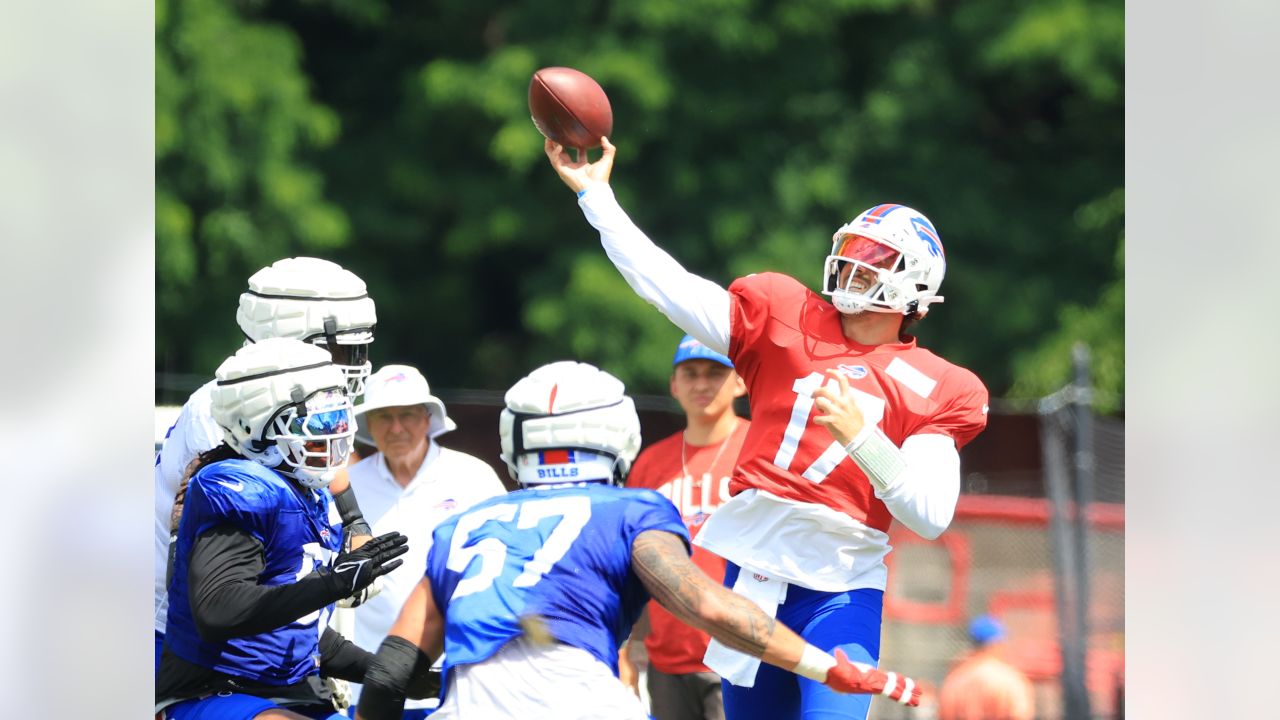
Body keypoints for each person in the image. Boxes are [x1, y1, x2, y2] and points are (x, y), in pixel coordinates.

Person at [545, 138, 989, 720]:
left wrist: (863, 438)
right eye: (853, 249)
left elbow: (929, 515)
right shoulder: (785, 312)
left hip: (839, 589)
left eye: (877, 258)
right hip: (750, 576)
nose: (856, 264)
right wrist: (597, 197)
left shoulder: (940, 384)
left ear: (915, 285)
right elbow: (666, 285)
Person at [353, 361, 921, 720]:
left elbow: (388, 673)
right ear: (615, 433)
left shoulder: (466, 524)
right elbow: (705, 604)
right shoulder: (629, 509)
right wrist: (824, 667)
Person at [155, 338, 413, 719]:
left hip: (285, 693)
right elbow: (219, 610)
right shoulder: (235, 485)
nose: (338, 432)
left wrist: (381, 671)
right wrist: (332, 582)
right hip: (212, 690)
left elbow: (297, 629)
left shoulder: (309, 493)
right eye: (325, 421)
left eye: (341, 418)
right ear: (262, 425)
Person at [155, 256, 380, 668]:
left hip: (261, 627)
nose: (355, 361)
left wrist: (355, 525)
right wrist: (329, 580)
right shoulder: (225, 410)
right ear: (292, 337)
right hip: (178, 629)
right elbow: (197, 546)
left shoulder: (288, 396)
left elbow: (325, 466)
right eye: (343, 347)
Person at [337, 364, 507, 717]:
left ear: (427, 418)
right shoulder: (346, 485)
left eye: (407, 415)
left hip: (460, 677)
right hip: (366, 676)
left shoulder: (474, 476)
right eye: (384, 416)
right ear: (369, 425)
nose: (396, 427)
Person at [619, 335, 749, 720]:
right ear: (674, 384)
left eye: (714, 373)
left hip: (740, 653)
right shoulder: (649, 463)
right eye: (689, 374)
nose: (701, 384)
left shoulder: (760, 450)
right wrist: (626, 648)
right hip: (666, 659)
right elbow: (632, 563)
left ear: (740, 381)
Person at [937, 615, 1036, 720]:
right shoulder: (1010, 678)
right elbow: (1020, 714)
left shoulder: (955, 680)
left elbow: (944, 715)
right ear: (995, 643)